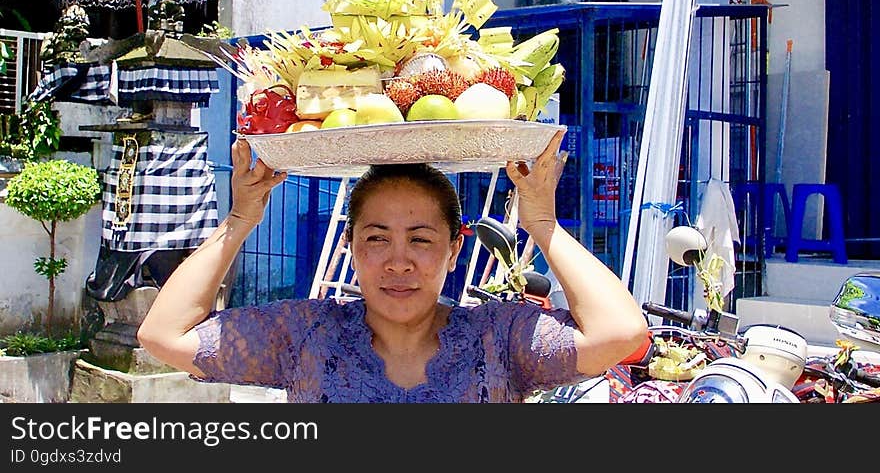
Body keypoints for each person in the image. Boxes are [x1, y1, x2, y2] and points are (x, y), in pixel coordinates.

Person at [137, 130, 647, 402]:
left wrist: (542, 220)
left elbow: (620, 332)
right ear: (351, 247)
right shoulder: (306, 334)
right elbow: (164, 335)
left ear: (453, 251)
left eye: (421, 240)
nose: (398, 261)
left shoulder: (499, 338)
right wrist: (240, 218)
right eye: (376, 239)